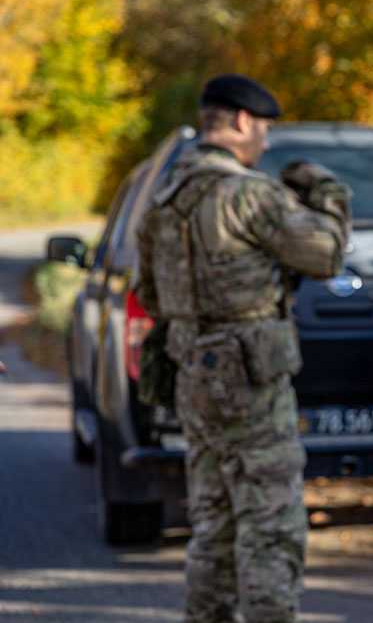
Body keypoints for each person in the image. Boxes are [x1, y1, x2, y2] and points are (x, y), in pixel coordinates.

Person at [134, 74, 351, 622]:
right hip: (250, 382)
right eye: (265, 129)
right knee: (271, 528)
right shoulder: (248, 193)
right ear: (240, 121)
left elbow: (150, 294)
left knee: (213, 525)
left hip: (193, 378)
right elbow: (325, 255)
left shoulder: (164, 199)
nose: (267, 143)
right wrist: (327, 192)